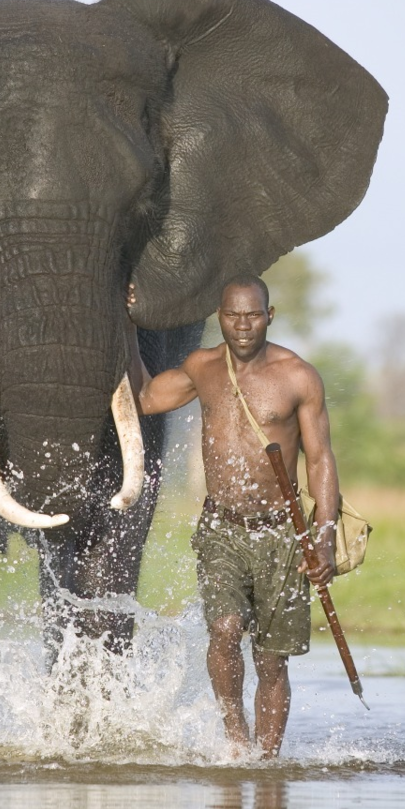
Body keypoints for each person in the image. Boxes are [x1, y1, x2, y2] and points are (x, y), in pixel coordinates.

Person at [127, 274, 339, 757]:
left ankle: (267, 761)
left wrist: (323, 537)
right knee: (224, 629)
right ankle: (236, 740)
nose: (242, 326)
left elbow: (321, 460)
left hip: (284, 534)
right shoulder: (203, 367)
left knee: (271, 660)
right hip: (221, 527)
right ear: (219, 317)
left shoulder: (298, 376)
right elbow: (145, 397)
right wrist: (127, 325)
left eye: (252, 315)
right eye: (231, 316)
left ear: (269, 316)